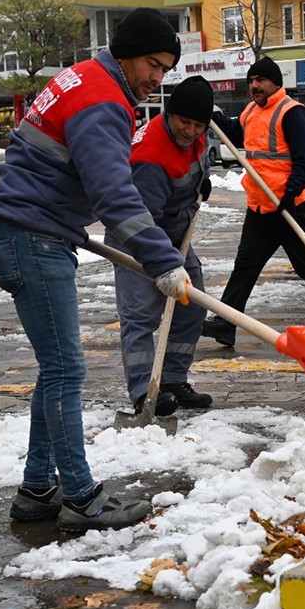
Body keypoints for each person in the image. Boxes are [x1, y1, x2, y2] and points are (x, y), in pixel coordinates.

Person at [0, 7, 186, 532]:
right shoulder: (101, 99)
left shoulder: (80, 80)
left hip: (25, 232)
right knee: (67, 370)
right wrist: (164, 260)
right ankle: (82, 497)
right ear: (128, 54)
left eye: (165, 69)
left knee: (56, 369)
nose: (157, 79)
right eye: (153, 64)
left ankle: (37, 489)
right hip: (33, 239)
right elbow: (114, 194)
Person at [201, 56, 305, 347]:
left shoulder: (293, 112)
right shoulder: (251, 111)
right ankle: (227, 323)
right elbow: (235, 131)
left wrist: (291, 192)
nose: (254, 86)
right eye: (251, 81)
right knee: (245, 266)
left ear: (276, 83)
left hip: (290, 207)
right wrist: (212, 113)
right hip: (260, 208)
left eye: (260, 80)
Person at [108, 75, 216, 417]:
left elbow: (189, 168)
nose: (191, 131)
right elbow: (142, 221)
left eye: (199, 125)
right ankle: (144, 390)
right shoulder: (151, 156)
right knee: (141, 315)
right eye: (184, 122)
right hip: (136, 238)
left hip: (174, 234)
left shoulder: (196, 136)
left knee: (192, 304)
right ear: (169, 114)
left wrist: (201, 184)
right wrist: (162, 265)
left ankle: (171, 379)